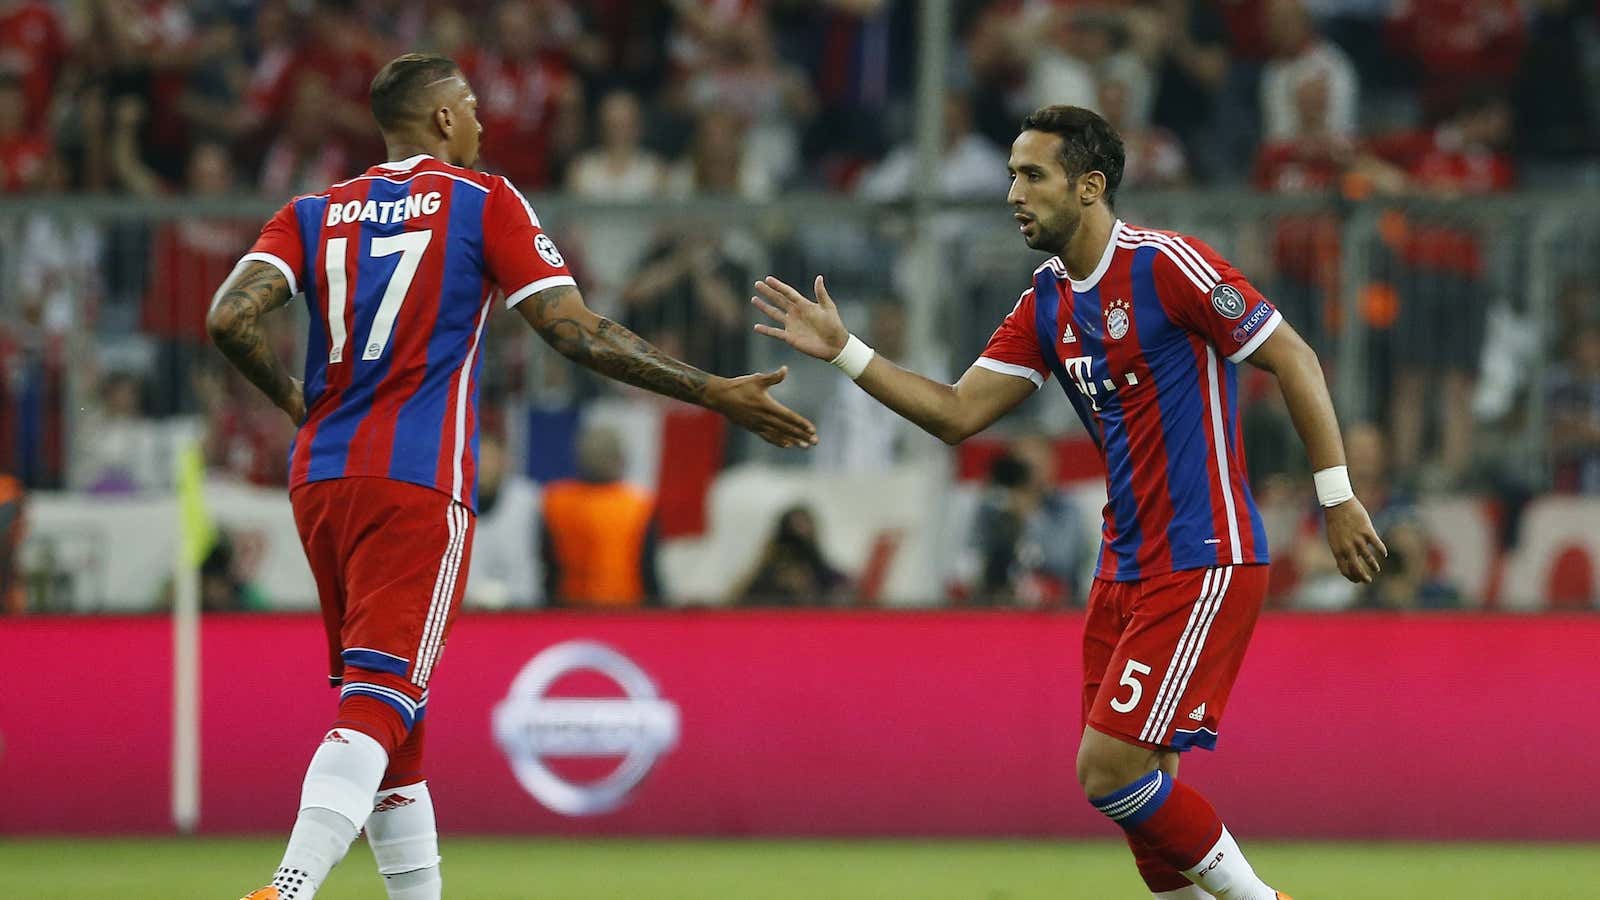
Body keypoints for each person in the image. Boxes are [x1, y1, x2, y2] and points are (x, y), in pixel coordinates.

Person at [211, 52, 817, 900]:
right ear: (446, 120)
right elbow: (573, 330)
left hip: (320, 479)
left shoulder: (313, 211)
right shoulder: (482, 199)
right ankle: (290, 886)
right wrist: (711, 388)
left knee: (396, 718)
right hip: (416, 478)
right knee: (383, 699)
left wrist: (294, 403)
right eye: (473, 109)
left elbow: (229, 316)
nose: (486, 125)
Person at [753, 104, 1386, 900]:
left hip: (1203, 555)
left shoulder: (1167, 266)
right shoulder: (1046, 301)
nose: (1013, 192)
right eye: (1013, 174)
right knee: (1140, 788)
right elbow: (957, 412)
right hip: (1121, 567)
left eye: (1032, 175)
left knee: (1106, 769)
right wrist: (845, 350)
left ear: (1090, 186)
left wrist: (1337, 498)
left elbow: (1293, 357)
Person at [540, 423, 659, 608]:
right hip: (626, 611)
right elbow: (648, 571)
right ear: (621, 459)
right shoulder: (638, 504)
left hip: (567, 608)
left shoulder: (554, 499)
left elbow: (548, 564)